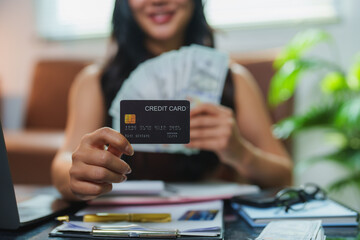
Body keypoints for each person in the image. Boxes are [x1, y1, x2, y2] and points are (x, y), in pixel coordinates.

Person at [51, 0, 293, 201]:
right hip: (123, 225)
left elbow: (285, 176)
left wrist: (241, 153)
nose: (157, 1)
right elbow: (62, 165)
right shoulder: (95, 81)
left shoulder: (234, 80)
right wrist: (77, 172)